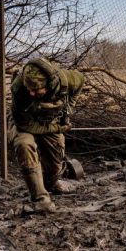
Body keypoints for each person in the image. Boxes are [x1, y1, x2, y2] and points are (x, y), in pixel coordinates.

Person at [8, 57, 85, 213]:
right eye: (29, 89)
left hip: (51, 121)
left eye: (36, 90)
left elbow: (81, 82)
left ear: (49, 83)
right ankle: (40, 198)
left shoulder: (67, 79)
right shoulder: (19, 88)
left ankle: (49, 185)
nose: (31, 92)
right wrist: (56, 129)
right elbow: (23, 124)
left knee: (55, 165)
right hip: (25, 120)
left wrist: (68, 109)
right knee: (24, 145)